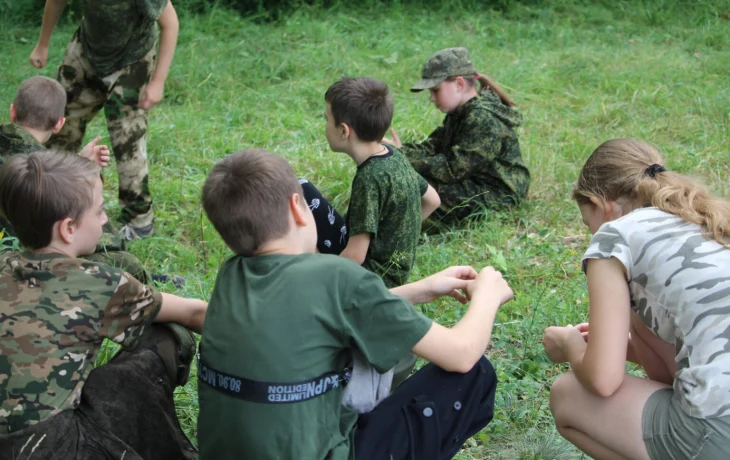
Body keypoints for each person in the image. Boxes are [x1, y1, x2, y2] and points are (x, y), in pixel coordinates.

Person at [197, 148, 513, 460]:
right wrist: (489, 293)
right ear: (298, 207)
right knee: (475, 375)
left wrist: (420, 289)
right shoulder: (337, 275)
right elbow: (461, 353)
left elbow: (326, 312)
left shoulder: (230, 277)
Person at [0, 151, 207, 460]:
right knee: (167, 333)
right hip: (51, 446)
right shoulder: (101, 283)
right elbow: (195, 313)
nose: (106, 219)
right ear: (69, 228)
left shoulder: (4, 264)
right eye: (99, 211)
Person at [542, 139, 730, 460]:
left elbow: (603, 381)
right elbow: (676, 366)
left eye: (589, 225)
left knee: (565, 394)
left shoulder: (614, 237)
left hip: (718, 429)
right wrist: (620, 348)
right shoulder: (703, 218)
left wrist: (570, 345)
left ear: (600, 205)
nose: (592, 234)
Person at [30, 0, 180, 240]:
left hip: (133, 58)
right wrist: (42, 45)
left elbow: (170, 24)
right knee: (61, 120)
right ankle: (50, 196)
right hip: (87, 50)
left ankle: (139, 219)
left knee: (127, 137)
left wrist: (158, 82)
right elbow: (56, 1)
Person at [0, 75, 154, 284]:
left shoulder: (34, 164)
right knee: (125, 263)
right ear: (59, 124)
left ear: (12, 112)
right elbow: (105, 241)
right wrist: (84, 174)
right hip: (23, 261)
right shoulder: (39, 171)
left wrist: (75, 165)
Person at [385, 47, 530, 225]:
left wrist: (403, 157)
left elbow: (452, 170)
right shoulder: (461, 112)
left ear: (459, 84)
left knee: (416, 191)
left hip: (499, 194)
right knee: (412, 185)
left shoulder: (482, 117)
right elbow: (434, 145)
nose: (431, 98)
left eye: (435, 90)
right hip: (475, 181)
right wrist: (398, 150)